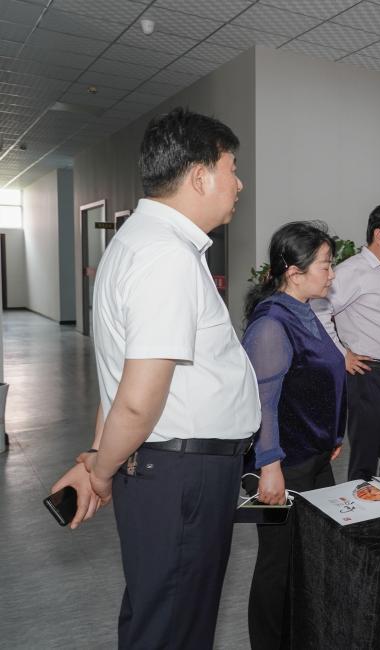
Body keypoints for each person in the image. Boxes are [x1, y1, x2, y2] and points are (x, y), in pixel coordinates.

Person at [49, 107, 261, 649]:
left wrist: (99, 454)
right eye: (232, 169)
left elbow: (118, 379)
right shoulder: (166, 256)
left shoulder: (138, 243)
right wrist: (101, 471)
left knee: (160, 615)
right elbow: (139, 401)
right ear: (200, 176)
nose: (239, 183)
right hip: (182, 475)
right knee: (174, 628)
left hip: (165, 469)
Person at [242, 221, 345, 650]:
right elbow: (263, 402)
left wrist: (332, 433)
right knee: (278, 562)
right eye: (325, 265)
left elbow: (317, 377)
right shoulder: (271, 323)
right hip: (284, 465)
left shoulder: (304, 310)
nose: (332, 274)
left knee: (312, 555)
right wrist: (269, 467)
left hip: (312, 456)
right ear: (294, 272)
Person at [312, 203, 380, 482]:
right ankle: (360, 508)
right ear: (379, 234)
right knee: (365, 459)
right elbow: (318, 310)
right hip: (370, 377)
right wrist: (340, 354)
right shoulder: (352, 271)